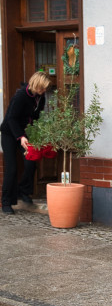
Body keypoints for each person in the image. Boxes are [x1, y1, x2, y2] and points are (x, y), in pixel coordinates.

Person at [1, 71, 51, 214]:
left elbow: (36, 116)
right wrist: (20, 137)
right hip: (10, 133)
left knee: (30, 162)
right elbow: (11, 118)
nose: (44, 91)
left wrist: (37, 132)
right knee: (11, 168)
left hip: (26, 133)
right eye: (42, 88)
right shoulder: (21, 96)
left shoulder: (40, 97)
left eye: (45, 89)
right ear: (36, 84)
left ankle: (24, 191)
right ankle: (6, 202)